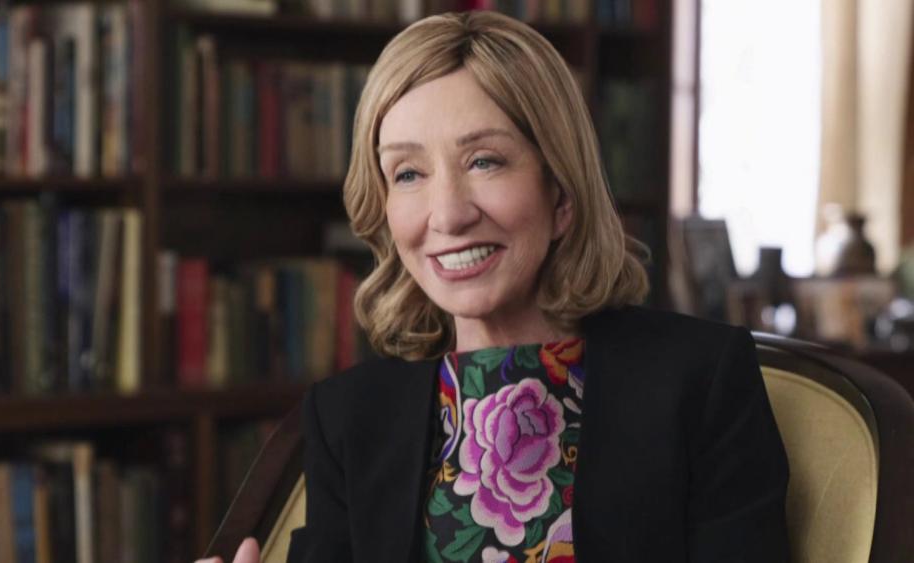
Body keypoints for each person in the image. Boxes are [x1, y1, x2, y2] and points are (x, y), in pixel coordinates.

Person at [198, 10, 789, 563]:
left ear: (561, 194)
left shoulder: (702, 381)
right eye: (409, 173)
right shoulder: (347, 418)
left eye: (484, 161)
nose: (448, 215)